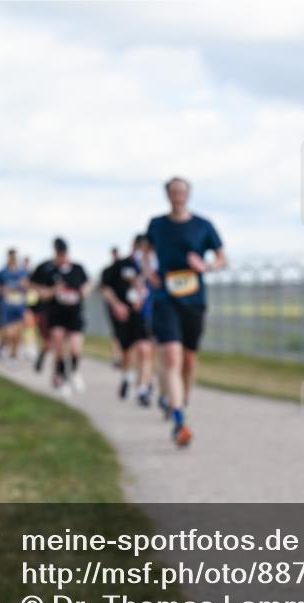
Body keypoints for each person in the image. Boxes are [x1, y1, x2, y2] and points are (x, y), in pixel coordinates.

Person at [145, 177, 227, 447]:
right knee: (171, 355)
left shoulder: (203, 226)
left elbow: (222, 258)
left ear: (189, 195)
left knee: (189, 360)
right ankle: (179, 420)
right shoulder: (157, 225)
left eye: (182, 192)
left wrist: (207, 267)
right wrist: (149, 274)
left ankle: (182, 400)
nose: (178, 196)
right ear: (167, 195)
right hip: (165, 297)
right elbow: (146, 253)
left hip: (193, 299)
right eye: (173, 192)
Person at [31, 238, 90, 394]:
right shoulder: (47, 269)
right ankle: (60, 376)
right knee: (57, 344)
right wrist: (52, 291)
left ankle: (75, 371)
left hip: (74, 314)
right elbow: (36, 287)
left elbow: (87, 284)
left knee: (76, 346)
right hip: (55, 314)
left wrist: (84, 291)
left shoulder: (77, 268)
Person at [101, 235, 154, 405]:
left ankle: (143, 390)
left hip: (143, 316)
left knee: (145, 350)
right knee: (128, 353)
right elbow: (106, 288)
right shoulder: (119, 266)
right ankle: (126, 377)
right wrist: (116, 305)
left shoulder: (151, 268)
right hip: (124, 316)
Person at [0, 248, 30, 366]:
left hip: (19, 306)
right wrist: (2, 290)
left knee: (17, 334)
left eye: (15, 256)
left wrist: (25, 286)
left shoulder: (23, 272)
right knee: (8, 333)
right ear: (8, 257)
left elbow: (29, 286)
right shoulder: (2, 272)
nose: (13, 259)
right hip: (7, 306)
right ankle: (1, 347)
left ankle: (13, 356)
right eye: (11, 257)